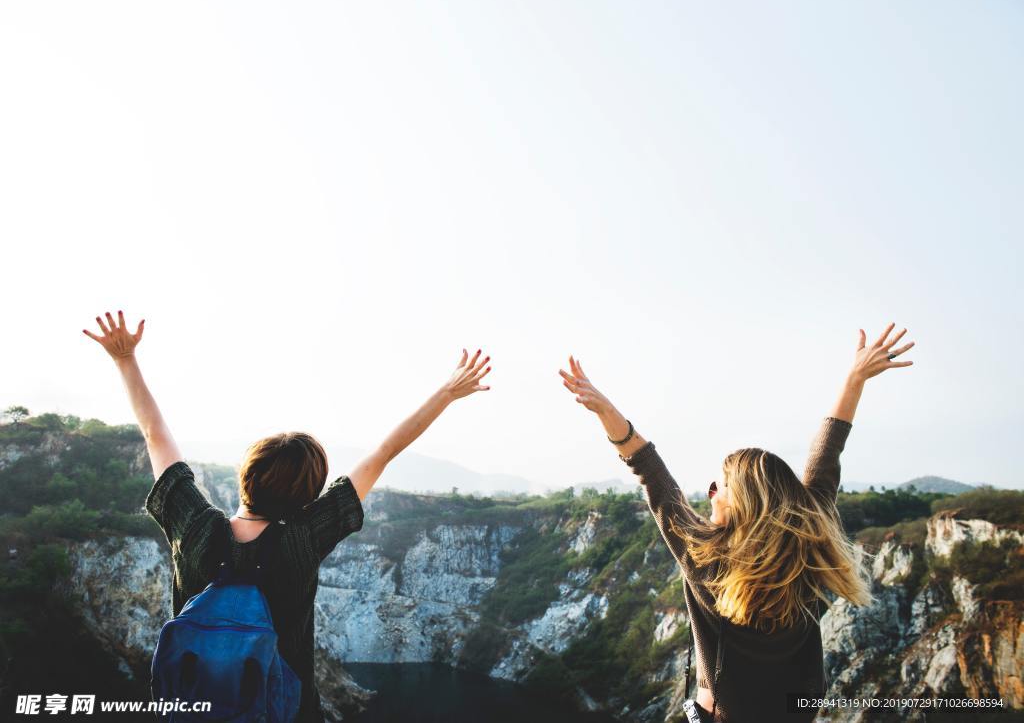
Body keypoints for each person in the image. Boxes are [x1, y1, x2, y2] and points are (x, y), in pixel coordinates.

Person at [83, 310, 493, 721]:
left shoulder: (195, 528)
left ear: (246, 475)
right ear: (310, 494)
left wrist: (125, 360)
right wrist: (447, 393)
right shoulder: (304, 537)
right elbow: (384, 452)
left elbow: (155, 435)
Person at [558, 323, 915, 722]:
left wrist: (607, 411)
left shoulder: (703, 556)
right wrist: (854, 378)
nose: (710, 492)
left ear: (743, 501)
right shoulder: (807, 540)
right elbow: (828, 449)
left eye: (719, 485)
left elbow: (650, 471)